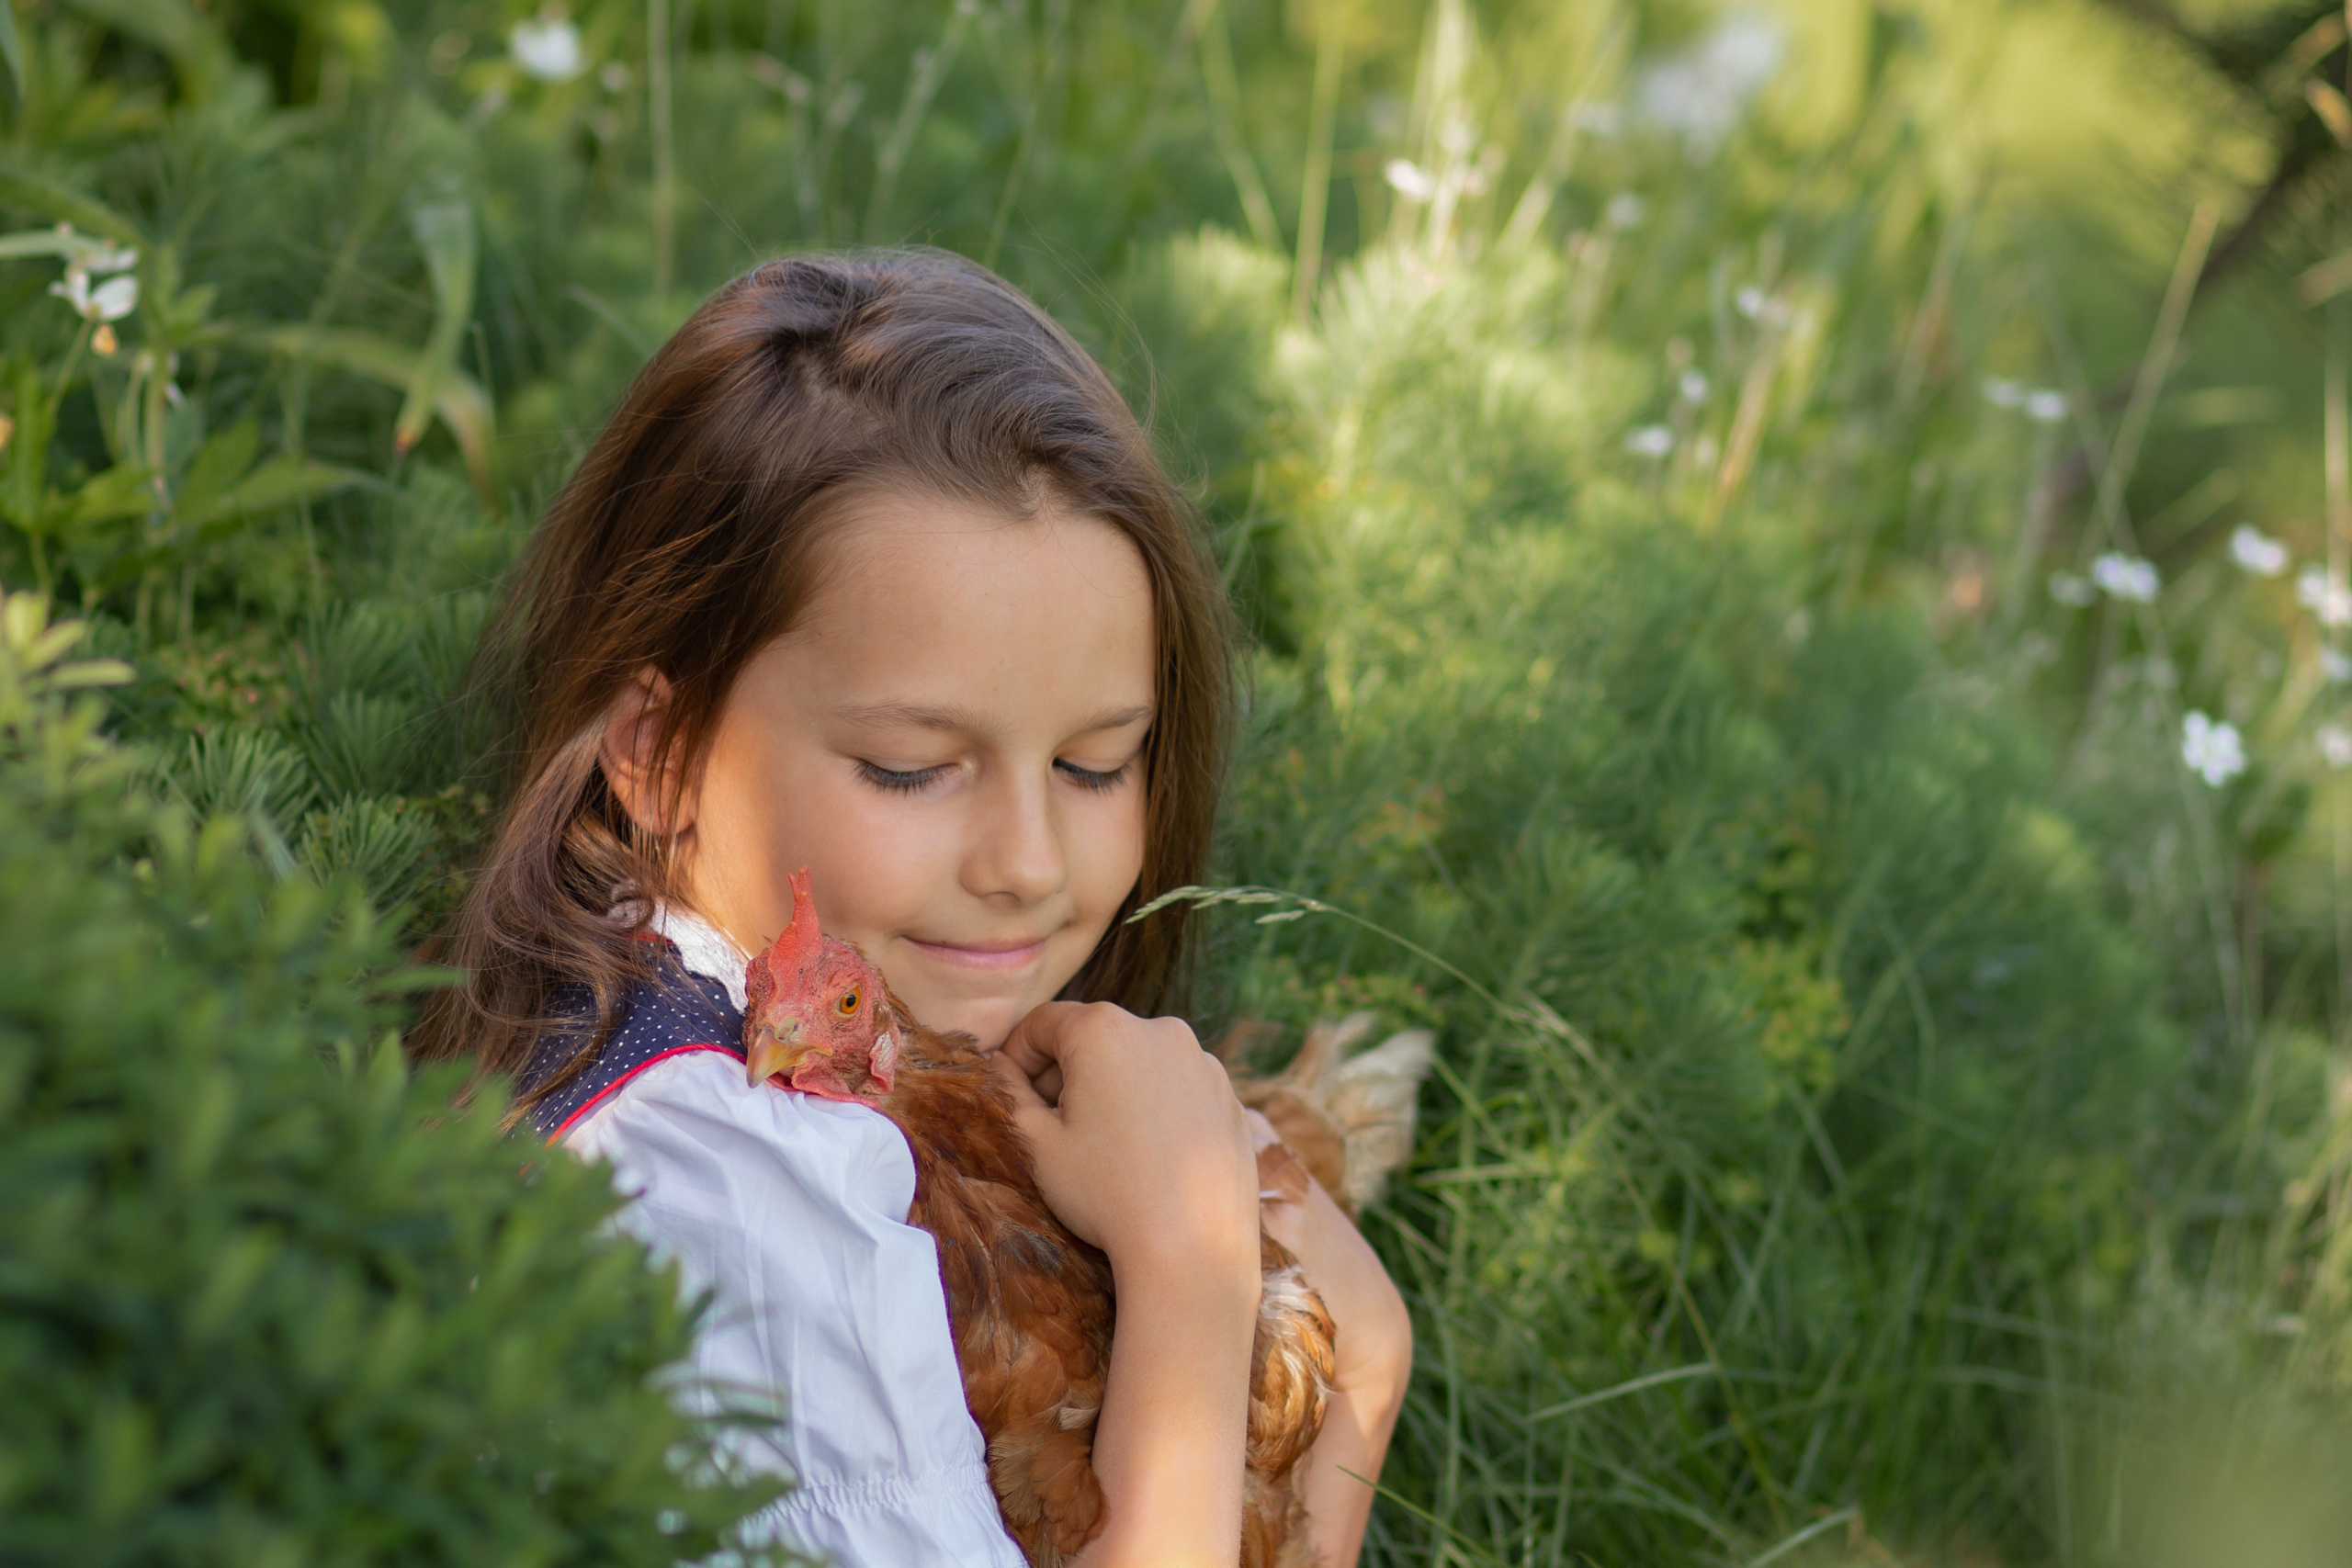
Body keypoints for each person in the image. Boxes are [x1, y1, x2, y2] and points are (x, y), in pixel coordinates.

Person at [411, 251, 1413, 1565]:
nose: (1029, 863)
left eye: (1094, 763)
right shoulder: (751, 1211)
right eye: (910, 768)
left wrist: (1356, 1372)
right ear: (655, 750)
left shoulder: (632, 1016)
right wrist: (1191, 1267)